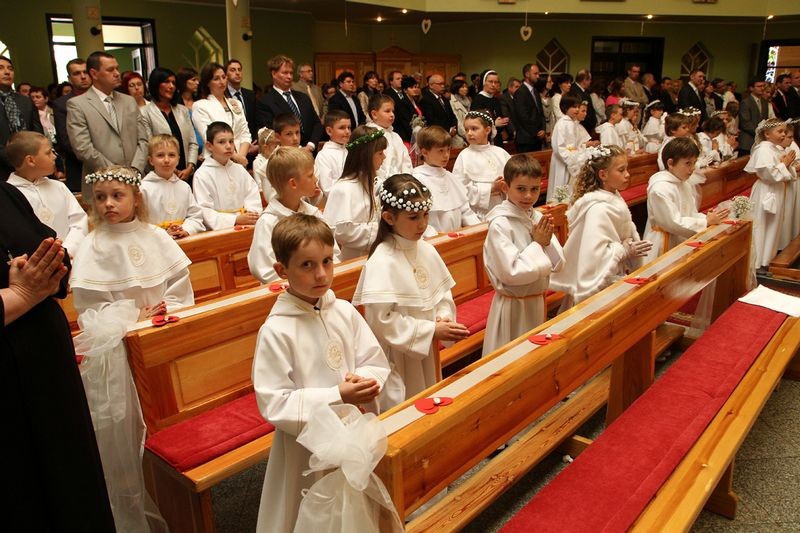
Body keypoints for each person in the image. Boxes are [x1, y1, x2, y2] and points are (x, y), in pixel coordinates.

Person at [252, 213, 390, 533]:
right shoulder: (276, 330)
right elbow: (274, 402)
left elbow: (374, 360)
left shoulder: (343, 311)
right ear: (281, 271)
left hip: (352, 431)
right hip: (304, 446)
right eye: (307, 265)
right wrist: (336, 395)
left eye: (327, 261)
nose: (321, 274)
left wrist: (363, 379)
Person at [1, 181, 115, 531]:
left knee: (72, 484)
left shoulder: (6, 195)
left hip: (49, 372)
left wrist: (48, 269)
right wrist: (21, 294)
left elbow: (54, 251)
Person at [353, 174, 467, 408]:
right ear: (389, 218)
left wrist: (443, 317)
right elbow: (381, 321)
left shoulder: (426, 249)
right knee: (408, 408)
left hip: (427, 349)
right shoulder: (381, 262)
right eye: (414, 217)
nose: (422, 224)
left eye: (425, 215)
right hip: (399, 356)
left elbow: (442, 296)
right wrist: (430, 330)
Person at [71, 165, 194, 318]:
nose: (108, 203)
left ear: (136, 199)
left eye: (117, 195)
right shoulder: (91, 246)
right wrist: (134, 317)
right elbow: (91, 307)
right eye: (100, 197)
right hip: (121, 330)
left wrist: (164, 310)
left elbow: (179, 287)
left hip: (167, 320)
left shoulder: (157, 236)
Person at [482, 155, 564, 356]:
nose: (528, 196)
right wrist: (538, 244)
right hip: (512, 306)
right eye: (521, 189)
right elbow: (511, 273)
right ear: (505, 187)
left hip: (536, 301)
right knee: (510, 359)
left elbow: (559, 263)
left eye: (534, 189)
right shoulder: (500, 224)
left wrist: (546, 243)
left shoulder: (537, 216)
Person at [550, 146, 650, 308]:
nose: (627, 174)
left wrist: (629, 244)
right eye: (621, 170)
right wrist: (624, 250)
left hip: (615, 274)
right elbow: (594, 257)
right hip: (600, 286)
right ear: (603, 175)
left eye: (627, 169)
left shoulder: (613, 197)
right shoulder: (598, 209)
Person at [248, 147, 338, 284]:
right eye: (310, 175)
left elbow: (333, 253)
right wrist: (300, 285)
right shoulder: (268, 222)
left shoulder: (314, 214)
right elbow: (262, 268)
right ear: (293, 183)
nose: (315, 179)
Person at [67, 51, 145, 198]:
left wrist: (135, 170)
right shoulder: (77, 105)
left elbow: (143, 139)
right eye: (110, 70)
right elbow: (83, 147)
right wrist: (116, 174)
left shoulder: (129, 101)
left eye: (117, 68)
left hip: (135, 181)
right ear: (94, 74)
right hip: (101, 184)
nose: (117, 73)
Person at [642, 137, 729, 261]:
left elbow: (690, 213)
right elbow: (672, 222)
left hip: (682, 236)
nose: (693, 168)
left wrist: (707, 218)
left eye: (694, 162)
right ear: (670, 163)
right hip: (664, 242)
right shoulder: (660, 188)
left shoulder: (683, 183)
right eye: (688, 163)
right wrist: (705, 222)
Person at [6, 131, 87, 257]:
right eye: (48, 152)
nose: (55, 156)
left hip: (70, 256)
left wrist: (67, 250)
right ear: (30, 160)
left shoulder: (59, 187)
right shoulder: (9, 195)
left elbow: (79, 221)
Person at [323, 126, 387, 259]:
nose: (384, 157)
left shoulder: (377, 181)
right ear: (366, 156)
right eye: (380, 153)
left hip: (380, 253)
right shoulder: (344, 188)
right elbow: (341, 232)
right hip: (355, 259)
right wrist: (383, 230)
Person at [745, 118, 797, 268]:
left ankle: (767, 258)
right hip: (766, 191)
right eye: (780, 131)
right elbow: (768, 175)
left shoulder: (775, 149)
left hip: (776, 190)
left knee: (773, 226)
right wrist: (784, 164)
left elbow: (785, 173)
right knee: (763, 225)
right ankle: (758, 261)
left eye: (785, 131)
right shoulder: (763, 150)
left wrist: (787, 165)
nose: (783, 134)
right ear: (767, 134)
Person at [192, 121, 261, 230]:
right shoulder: (202, 175)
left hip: (247, 225)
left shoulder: (239, 170)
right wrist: (235, 220)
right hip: (220, 230)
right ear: (209, 146)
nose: (228, 146)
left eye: (231, 141)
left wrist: (250, 215)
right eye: (222, 142)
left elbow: (252, 195)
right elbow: (204, 210)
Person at [412, 126, 481, 233]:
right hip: (434, 238)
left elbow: (465, 211)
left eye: (448, 149)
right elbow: (418, 219)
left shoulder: (450, 177)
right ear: (425, 152)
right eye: (440, 151)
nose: (446, 155)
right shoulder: (417, 180)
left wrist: (479, 229)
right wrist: (436, 237)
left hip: (458, 236)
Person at [140, 134, 205, 238]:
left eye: (171, 155)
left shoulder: (184, 187)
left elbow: (195, 216)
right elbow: (139, 222)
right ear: (151, 160)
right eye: (160, 155)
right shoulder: (143, 189)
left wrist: (186, 229)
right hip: (156, 240)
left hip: (183, 239)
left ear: (178, 159)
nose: (166, 160)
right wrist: (165, 234)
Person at [139, 67, 198, 181]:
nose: (171, 86)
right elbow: (149, 146)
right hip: (161, 174)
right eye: (166, 82)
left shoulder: (183, 110)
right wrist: (173, 169)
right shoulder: (144, 113)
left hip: (187, 173)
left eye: (173, 83)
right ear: (156, 84)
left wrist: (190, 167)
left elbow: (193, 142)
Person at [452, 110, 511, 220]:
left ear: (487, 130)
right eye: (466, 129)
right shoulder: (464, 156)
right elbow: (459, 190)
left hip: (503, 209)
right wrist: (491, 188)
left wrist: (505, 186)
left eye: (474, 129)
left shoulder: (500, 153)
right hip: (477, 215)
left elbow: (514, 179)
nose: (469, 133)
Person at [256, 55, 323, 152]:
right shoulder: (265, 102)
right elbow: (270, 133)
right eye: (285, 73)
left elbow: (317, 124)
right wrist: (298, 149)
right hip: (285, 154)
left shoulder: (303, 98)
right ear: (274, 74)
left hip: (310, 152)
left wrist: (310, 145)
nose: (289, 76)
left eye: (291, 73)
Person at [191, 62, 251, 165]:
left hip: (239, 161)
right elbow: (209, 137)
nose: (222, 81)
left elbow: (245, 133)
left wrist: (241, 156)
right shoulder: (200, 106)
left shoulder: (235, 103)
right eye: (216, 79)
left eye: (223, 77)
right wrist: (235, 157)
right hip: (216, 160)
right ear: (207, 83)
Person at [51, 58, 92, 192]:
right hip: (79, 167)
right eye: (77, 73)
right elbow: (65, 140)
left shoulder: (103, 98)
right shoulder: (61, 104)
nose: (83, 76)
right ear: (69, 78)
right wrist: (94, 157)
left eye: (85, 72)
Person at [0, 56, 44, 180]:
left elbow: (37, 133)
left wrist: (34, 159)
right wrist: (16, 161)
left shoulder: (25, 101)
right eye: (1, 68)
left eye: (10, 69)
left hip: (31, 166)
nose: (7, 72)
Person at [366, 94, 413, 184]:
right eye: (387, 111)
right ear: (374, 114)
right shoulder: (370, 135)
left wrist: (406, 180)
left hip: (401, 183)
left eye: (392, 111)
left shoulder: (396, 136)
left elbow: (405, 161)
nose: (392, 115)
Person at [547, 95, 587, 202]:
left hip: (573, 160)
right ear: (565, 107)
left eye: (578, 107)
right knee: (562, 185)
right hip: (563, 162)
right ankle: (559, 205)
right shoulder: (562, 124)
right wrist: (572, 161)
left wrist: (581, 153)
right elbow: (559, 147)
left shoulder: (573, 123)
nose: (577, 109)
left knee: (571, 188)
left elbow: (577, 145)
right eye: (574, 107)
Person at [314, 110, 350, 196]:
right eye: (342, 128)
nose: (347, 131)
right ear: (329, 131)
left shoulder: (350, 150)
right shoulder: (324, 156)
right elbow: (327, 188)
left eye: (349, 127)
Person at [513, 63, 546, 152]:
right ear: (527, 74)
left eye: (538, 74)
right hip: (526, 140)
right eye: (535, 74)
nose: (538, 76)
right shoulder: (520, 93)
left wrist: (543, 129)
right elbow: (523, 117)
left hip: (537, 139)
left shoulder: (535, 92)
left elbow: (540, 113)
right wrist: (537, 132)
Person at [472, 69, 510, 146]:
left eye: (496, 82)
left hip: (497, 140)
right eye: (490, 81)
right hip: (484, 142)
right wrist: (494, 124)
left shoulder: (495, 99)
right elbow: (476, 123)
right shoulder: (478, 99)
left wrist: (503, 121)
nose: (493, 85)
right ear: (484, 82)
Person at [225, 59, 258, 142]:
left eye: (239, 70)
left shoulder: (250, 95)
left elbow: (256, 121)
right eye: (233, 70)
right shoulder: (223, 95)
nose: (237, 73)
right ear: (226, 74)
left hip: (252, 141)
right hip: (231, 141)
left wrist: (255, 141)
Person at [739, 78, 775, 155]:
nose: (762, 88)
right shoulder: (746, 102)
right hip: (748, 141)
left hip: (760, 140)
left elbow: (765, 120)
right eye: (759, 86)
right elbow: (745, 123)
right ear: (751, 88)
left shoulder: (764, 102)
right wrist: (760, 133)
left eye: (763, 86)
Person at [252, 126, 280, 201]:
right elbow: (260, 186)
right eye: (275, 146)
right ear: (265, 147)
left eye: (279, 145)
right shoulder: (257, 162)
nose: (278, 148)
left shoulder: (278, 158)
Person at [450, 79, 472, 146]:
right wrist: (466, 135)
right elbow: (457, 121)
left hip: (469, 131)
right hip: (459, 135)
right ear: (456, 88)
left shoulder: (468, 101)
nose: (466, 89)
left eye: (466, 87)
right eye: (462, 87)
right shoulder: (452, 102)